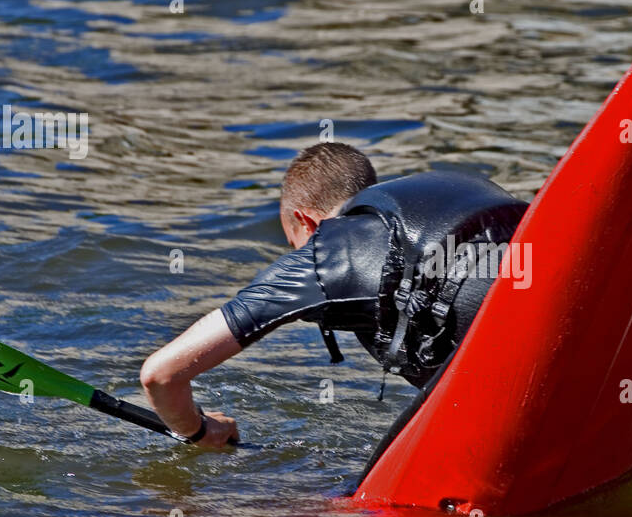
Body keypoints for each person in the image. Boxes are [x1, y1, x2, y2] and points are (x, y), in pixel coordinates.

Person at [139, 142, 528, 448]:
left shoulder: (322, 256)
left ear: (306, 221)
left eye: (295, 242)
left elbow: (161, 375)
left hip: (512, 337)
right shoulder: (445, 186)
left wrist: (197, 430)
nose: (300, 252)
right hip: (554, 276)